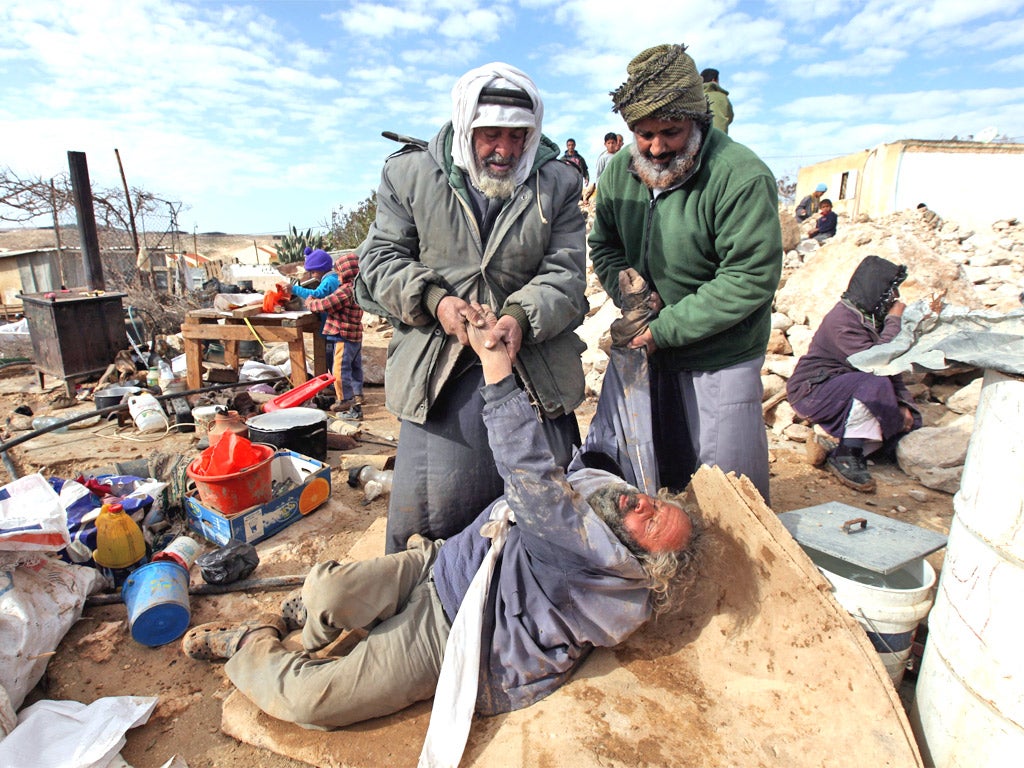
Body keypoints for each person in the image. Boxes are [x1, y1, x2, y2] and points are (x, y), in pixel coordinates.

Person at [180, 308, 702, 749]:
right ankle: (317, 613)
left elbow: (528, 469)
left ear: (633, 556)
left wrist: (496, 364)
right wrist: (630, 352)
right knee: (328, 590)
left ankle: (249, 643)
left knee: (312, 699)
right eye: (657, 503)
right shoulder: (613, 501)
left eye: (649, 520)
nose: (642, 502)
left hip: (456, 629)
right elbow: (619, 434)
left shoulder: (590, 561)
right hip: (451, 560)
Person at [355, 62, 589, 554]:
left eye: (517, 135)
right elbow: (379, 259)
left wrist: (521, 317)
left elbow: (566, 274)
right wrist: (436, 302)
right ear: (466, 127)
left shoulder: (558, 184)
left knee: (543, 519)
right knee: (437, 520)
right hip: (439, 369)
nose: (504, 149)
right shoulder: (409, 173)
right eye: (490, 135)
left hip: (532, 369)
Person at [589, 42, 782, 503]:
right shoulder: (619, 172)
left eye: (670, 132)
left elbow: (749, 277)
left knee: (726, 496)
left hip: (720, 356)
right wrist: (629, 292)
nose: (656, 148)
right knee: (652, 482)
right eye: (644, 134)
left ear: (696, 119)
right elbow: (605, 244)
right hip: (651, 353)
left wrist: (665, 328)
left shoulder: (739, 175)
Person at [786, 255, 922, 492]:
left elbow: (892, 367)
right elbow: (878, 361)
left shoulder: (867, 317)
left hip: (842, 386)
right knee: (872, 385)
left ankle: (852, 446)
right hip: (812, 391)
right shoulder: (842, 320)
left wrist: (903, 405)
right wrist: (894, 320)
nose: (894, 299)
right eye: (890, 294)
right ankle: (847, 453)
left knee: (909, 419)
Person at [303, 251, 364, 419]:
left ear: (346, 273)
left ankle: (346, 401)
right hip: (355, 335)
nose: (337, 277)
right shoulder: (358, 287)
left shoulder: (346, 290)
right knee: (354, 368)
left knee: (340, 370)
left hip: (343, 334)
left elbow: (325, 304)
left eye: (338, 273)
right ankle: (357, 395)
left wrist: (310, 303)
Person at [700, 68, 733, 134]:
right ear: (714, 80)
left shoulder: (695, 96)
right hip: (720, 137)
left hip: (699, 138)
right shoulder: (723, 97)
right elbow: (730, 117)